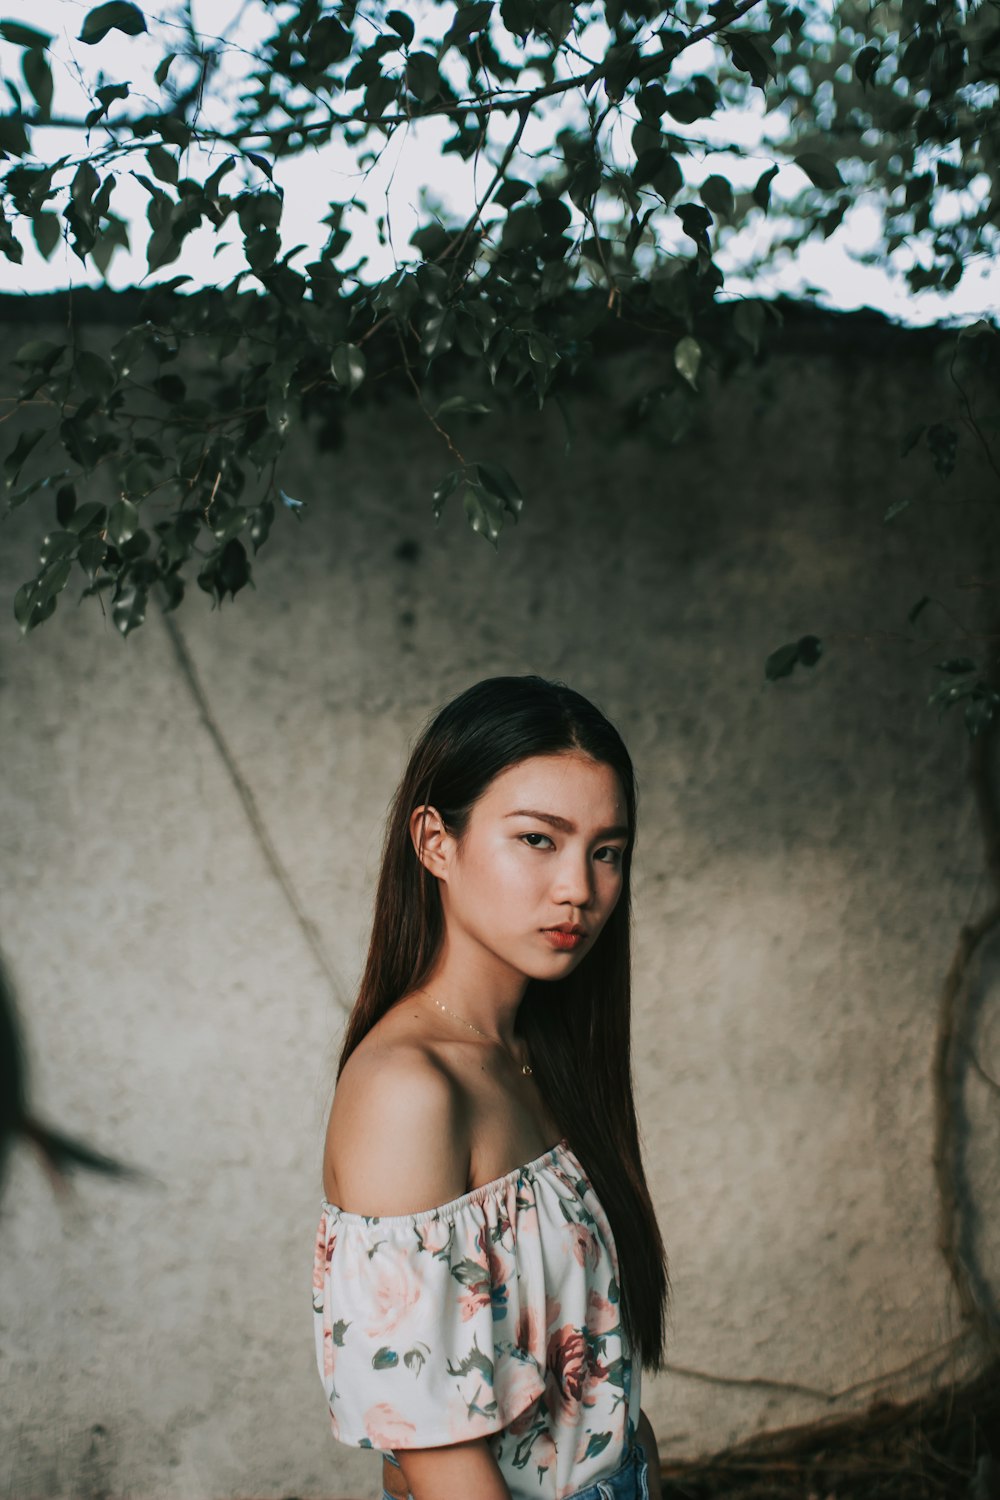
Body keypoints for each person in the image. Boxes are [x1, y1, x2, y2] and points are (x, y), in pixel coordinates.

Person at [313, 676, 668, 1500]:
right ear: (435, 841)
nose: (579, 887)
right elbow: (435, 1452)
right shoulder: (408, 1090)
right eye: (539, 839)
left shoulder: (532, 1053)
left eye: (606, 851)